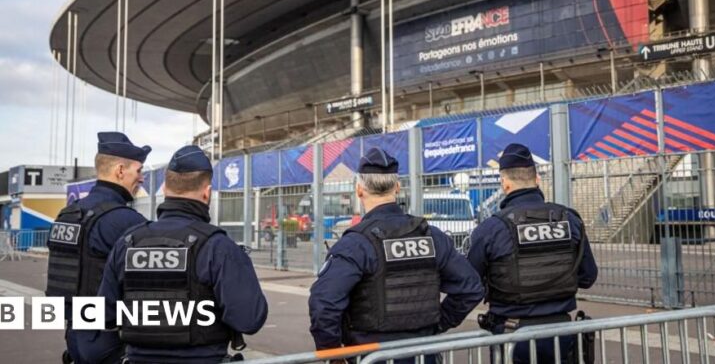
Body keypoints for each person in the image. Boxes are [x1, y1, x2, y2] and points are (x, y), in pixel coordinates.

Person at [309, 148, 484, 363]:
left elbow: (324, 303)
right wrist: (438, 324)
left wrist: (334, 355)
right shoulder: (432, 237)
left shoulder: (355, 244)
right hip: (423, 355)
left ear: (359, 190)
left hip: (372, 355)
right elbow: (471, 288)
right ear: (398, 187)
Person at [97, 145, 268, 363]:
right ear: (207, 193)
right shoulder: (218, 247)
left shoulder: (127, 242)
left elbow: (105, 314)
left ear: (166, 190)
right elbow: (250, 319)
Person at [466, 143, 598, 364]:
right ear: (537, 180)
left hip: (512, 337)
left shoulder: (491, 229)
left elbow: (469, 285)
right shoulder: (570, 220)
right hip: (561, 335)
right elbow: (588, 277)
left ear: (504, 183)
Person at [46, 132, 151, 364]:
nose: (141, 178)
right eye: (139, 171)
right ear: (120, 171)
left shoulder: (68, 215)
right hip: (112, 340)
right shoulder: (124, 221)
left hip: (75, 337)